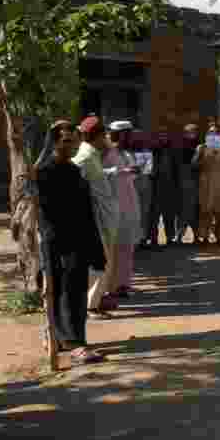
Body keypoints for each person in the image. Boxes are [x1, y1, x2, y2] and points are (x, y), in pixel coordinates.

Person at [38, 120, 108, 363]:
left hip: (79, 240)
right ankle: (73, 343)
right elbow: (47, 214)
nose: (71, 146)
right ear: (55, 142)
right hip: (59, 243)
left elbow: (85, 210)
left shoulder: (73, 170)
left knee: (75, 292)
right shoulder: (45, 172)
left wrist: (94, 245)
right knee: (64, 292)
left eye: (74, 141)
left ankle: (69, 337)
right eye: (66, 141)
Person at [73, 116, 120, 317]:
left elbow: (95, 177)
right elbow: (75, 179)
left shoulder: (92, 154)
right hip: (96, 217)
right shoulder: (84, 156)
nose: (108, 138)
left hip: (104, 214)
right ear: (98, 136)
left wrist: (114, 171)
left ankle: (95, 300)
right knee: (100, 262)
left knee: (105, 260)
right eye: (105, 135)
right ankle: (91, 305)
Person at [105, 121, 141, 297]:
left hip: (129, 206)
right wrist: (119, 172)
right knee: (113, 249)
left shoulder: (126, 153)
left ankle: (124, 285)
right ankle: (109, 287)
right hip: (112, 207)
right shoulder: (105, 152)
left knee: (127, 247)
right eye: (128, 134)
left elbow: (128, 175)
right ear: (120, 135)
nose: (131, 138)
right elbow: (98, 173)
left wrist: (133, 171)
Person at [194, 126, 220, 246]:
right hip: (206, 183)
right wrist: (199, 154)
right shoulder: (202, 147)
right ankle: (204, 237)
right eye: (211, 132)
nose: (213, 135)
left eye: (216, 133)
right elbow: (194, 164)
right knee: (206, 211)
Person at [149, 128, 181, 249]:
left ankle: (170, 238)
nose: (163, 138)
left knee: (169, 215)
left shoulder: (173, 151)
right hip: (156, 187)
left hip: (170, 186)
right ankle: (153, 239)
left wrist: (176, 186)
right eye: (161, 135)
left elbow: (176, 170)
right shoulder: (153, 150)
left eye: (165, 135)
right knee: (154, 215)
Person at [176, 124, 201, 244]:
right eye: (189, 132)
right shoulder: (180, 146)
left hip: (197, 181)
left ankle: (196, 236)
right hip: (185, 180)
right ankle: (179, 236)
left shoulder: (200, 145)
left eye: (194, 132)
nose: (192, 134)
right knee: (184, 209)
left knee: (196, 209)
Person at [131, 130, 154, 249]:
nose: (138, 139)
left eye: (140, 136)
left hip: (144, 183)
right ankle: (133, 240)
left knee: (144, 212)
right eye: (135, 136)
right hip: (131, 184)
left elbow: (149, 168)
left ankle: (143, 239)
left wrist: (138, 169)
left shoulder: (146, 151)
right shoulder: (127, 151)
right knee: (133, 212)